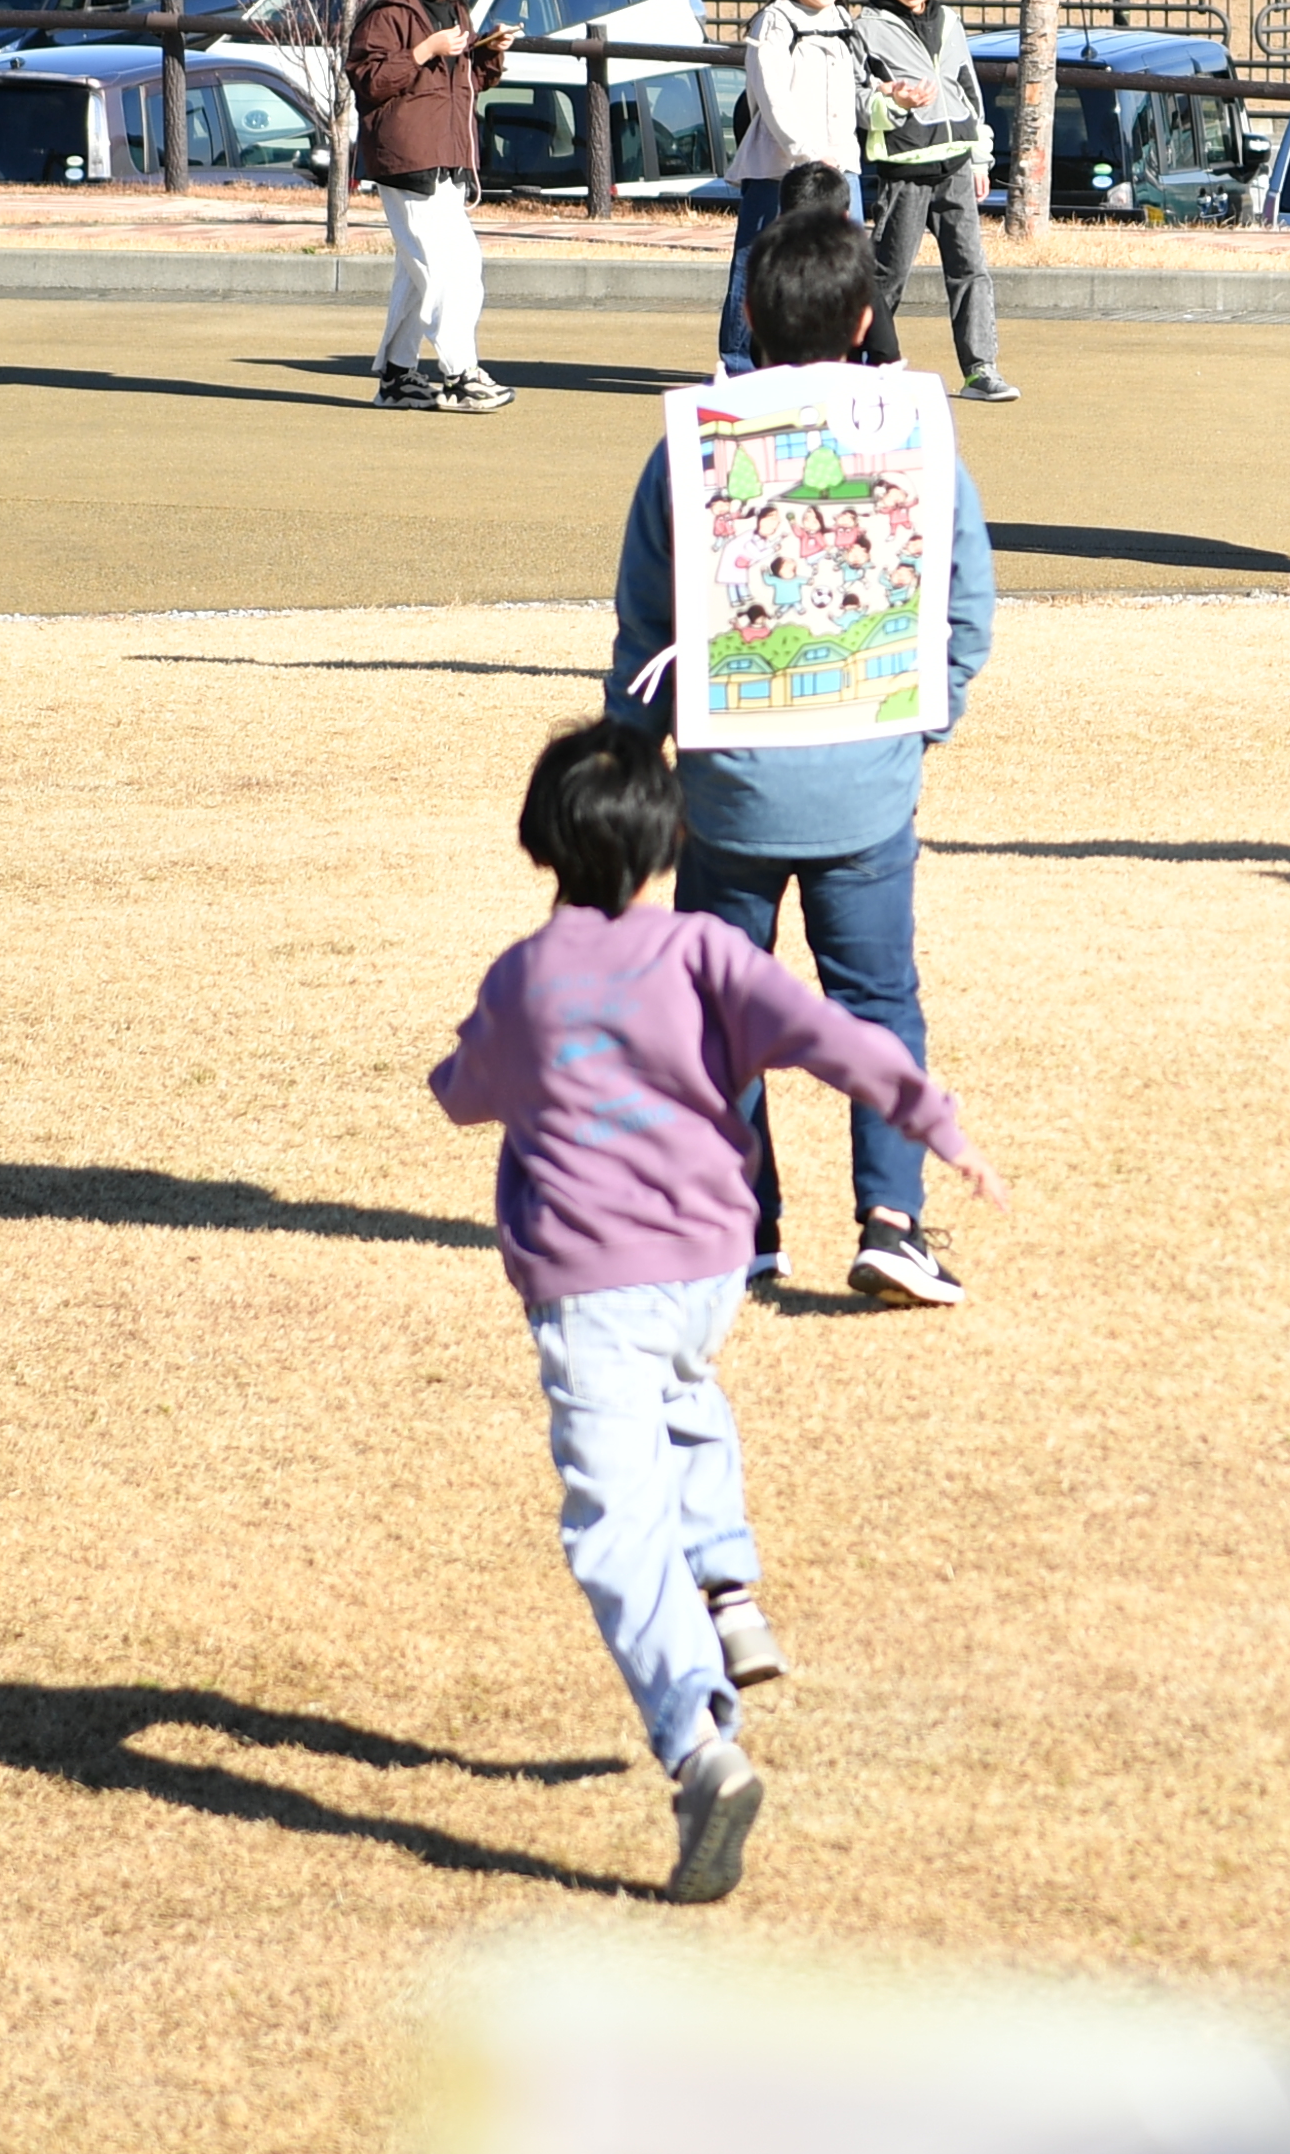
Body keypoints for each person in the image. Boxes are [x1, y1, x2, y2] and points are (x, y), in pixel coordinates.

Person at [427, 717, 1001, 1905]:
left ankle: (698, 1744)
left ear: (541, 842)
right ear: (667, 841)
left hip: (597, 1286)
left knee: (613, 1526)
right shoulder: (702, 950)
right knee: (685, 1394)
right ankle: (731, 1593)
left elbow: (465, 1093)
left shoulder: (526, 978)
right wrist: (937, 1126)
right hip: (705, 1273)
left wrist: (461, 1067)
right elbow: (837, 1034)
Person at [607, 207, 1001, 1308]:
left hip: (728, 787)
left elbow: (645, 630)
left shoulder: (691, 448)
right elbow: (966, 603)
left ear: (750, 312)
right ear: (867, 317)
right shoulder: (916, 436)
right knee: (878, 1002)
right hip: (867, 781)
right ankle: (892, 1219)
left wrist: (636, 758)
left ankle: (743, 1227)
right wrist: (923, 716)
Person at [343, 0, 512, 414]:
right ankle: (460, 375)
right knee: (448, 269)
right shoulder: (390, 11)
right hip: (407, 160)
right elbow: (368, 79)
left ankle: (398, 377)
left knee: (421, 273)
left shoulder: (455, 9)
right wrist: (422, 50)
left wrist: (490, 52)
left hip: (447, 158)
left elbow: (463, 85)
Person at [852, 0, 1014, 402]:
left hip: (957, 164)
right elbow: (857, 98)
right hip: (904, 166)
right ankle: (862, 367)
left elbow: (968, 90)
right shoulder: (866, 28)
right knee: (887, 275)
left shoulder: (950, 22)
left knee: (970, 270)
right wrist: (894, 103)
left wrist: (980, 156)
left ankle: (981, 370)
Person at [720, 0, 867, 374]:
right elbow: (771, 97)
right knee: (755, 261)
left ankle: (843, 362)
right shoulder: (775, 20)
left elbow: (860, 90)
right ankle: (739, 366)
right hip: (778, 166)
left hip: (841, 165)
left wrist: (893, 98)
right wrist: (806, 150)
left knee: (846, 260)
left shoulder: (846, 23)